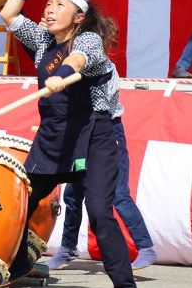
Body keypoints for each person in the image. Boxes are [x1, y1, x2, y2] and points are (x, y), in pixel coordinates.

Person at [0, 0, 140, 288]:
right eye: (48, 3)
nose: (48, 10)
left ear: (77, 17)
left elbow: (82, 60)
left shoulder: (88, 39)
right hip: (54, 135)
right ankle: (14, 267)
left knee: (98, 209)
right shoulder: (42, 40)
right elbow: (9, 15)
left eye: (58, 5)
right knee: (23, 201)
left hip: (94, 133)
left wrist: (64, 71)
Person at [48, 99, 158, 271]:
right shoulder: (72, 74)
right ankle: (68, 247)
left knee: (118, 193)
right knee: (73, 192)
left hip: (107, 132)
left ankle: (146, 247)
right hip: (83, 134)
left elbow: (100, 102)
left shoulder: (102, 72)